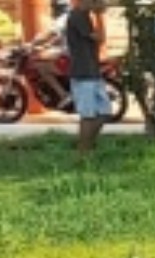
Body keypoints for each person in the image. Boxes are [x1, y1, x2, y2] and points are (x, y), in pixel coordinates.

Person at [64, 0, 107, 156]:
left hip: (93, 71)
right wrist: (99, 15)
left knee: (103, 112)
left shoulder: (85, 16)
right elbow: (100, 38)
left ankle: (87, 146)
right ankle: (83, 152)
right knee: (88, 116)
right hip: (83, 72)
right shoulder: (78, 16)